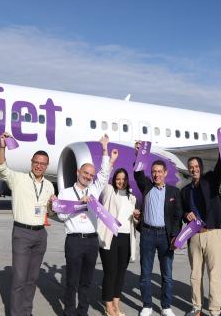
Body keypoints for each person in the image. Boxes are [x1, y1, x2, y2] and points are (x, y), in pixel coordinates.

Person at [0, 132, 56, 316]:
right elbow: (1, 167)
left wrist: (53, 206)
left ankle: (27, 312)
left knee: (32, 279)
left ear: (46, 166)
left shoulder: (49, 186)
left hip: (40, 235)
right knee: (19, 279)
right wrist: (3, 146)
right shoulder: (19, 179)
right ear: (32, 162)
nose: (39, 166)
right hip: (22, 233)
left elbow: (50, 212)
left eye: (42, 163)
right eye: (36, 162)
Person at [57, 135, 117, 316]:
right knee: (72, 282)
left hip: (92, 241)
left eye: (91, 175)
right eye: (85, 174)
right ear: (77, 172)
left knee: (86, 282)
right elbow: (61, 215)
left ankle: (82, 312)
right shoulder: (66, 193)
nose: (88, 177)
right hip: (74, 241)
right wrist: (79, 205)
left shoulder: (94, 189)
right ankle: (69, 312)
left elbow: (105, 174)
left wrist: (105, 150)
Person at [133, 142, 183, 316]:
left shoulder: (173, 192)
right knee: (145, 272)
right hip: (147, 233)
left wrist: (175, 235)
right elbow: (138, 173)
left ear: (165, 173)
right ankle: (147, 305)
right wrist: (139, 154)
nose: (156, 174)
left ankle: (166, 306)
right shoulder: (146, 186)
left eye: (159, 172)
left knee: (167, 274)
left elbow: (178, 216)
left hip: (165, 236)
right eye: (154, 172)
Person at [180, 151, 221, 316]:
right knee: (195, 275)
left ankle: (215, 310)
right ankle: (196, 307)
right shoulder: (185, 190)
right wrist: (186, 214)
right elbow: (181, 211)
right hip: (194, 236)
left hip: (213, 233)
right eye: (191, 167)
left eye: (196, 167)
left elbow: (219, 169)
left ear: (201, 168)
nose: (194, 169)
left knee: (214, 275)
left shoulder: (210, 183)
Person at [97, 168, 138, 316]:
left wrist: (136, 217)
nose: (121, 182)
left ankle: (116, 304)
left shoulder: (132, 198)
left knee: (121, 273)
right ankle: (108, 307)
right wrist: (111, 161)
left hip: (126, 238)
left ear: (127, 180)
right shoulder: (109, 191)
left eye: (124, 179)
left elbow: (134, 222)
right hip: (111, 237)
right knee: (111, 272)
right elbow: (103, 178)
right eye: (118, 179)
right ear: (114, 180)